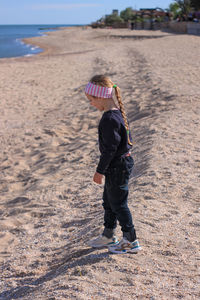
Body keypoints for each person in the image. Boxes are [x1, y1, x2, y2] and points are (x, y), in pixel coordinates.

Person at [85, 75, 141, 254]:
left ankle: (131, 240)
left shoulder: (109, 119)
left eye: (92, 99)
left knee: (119, 203)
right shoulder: (117, 113)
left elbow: (110, 149)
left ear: (101, 96)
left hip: (118, 165)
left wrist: (99, 171)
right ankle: (109, 235)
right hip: (118, 164)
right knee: (109, 201)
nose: (91, 103)